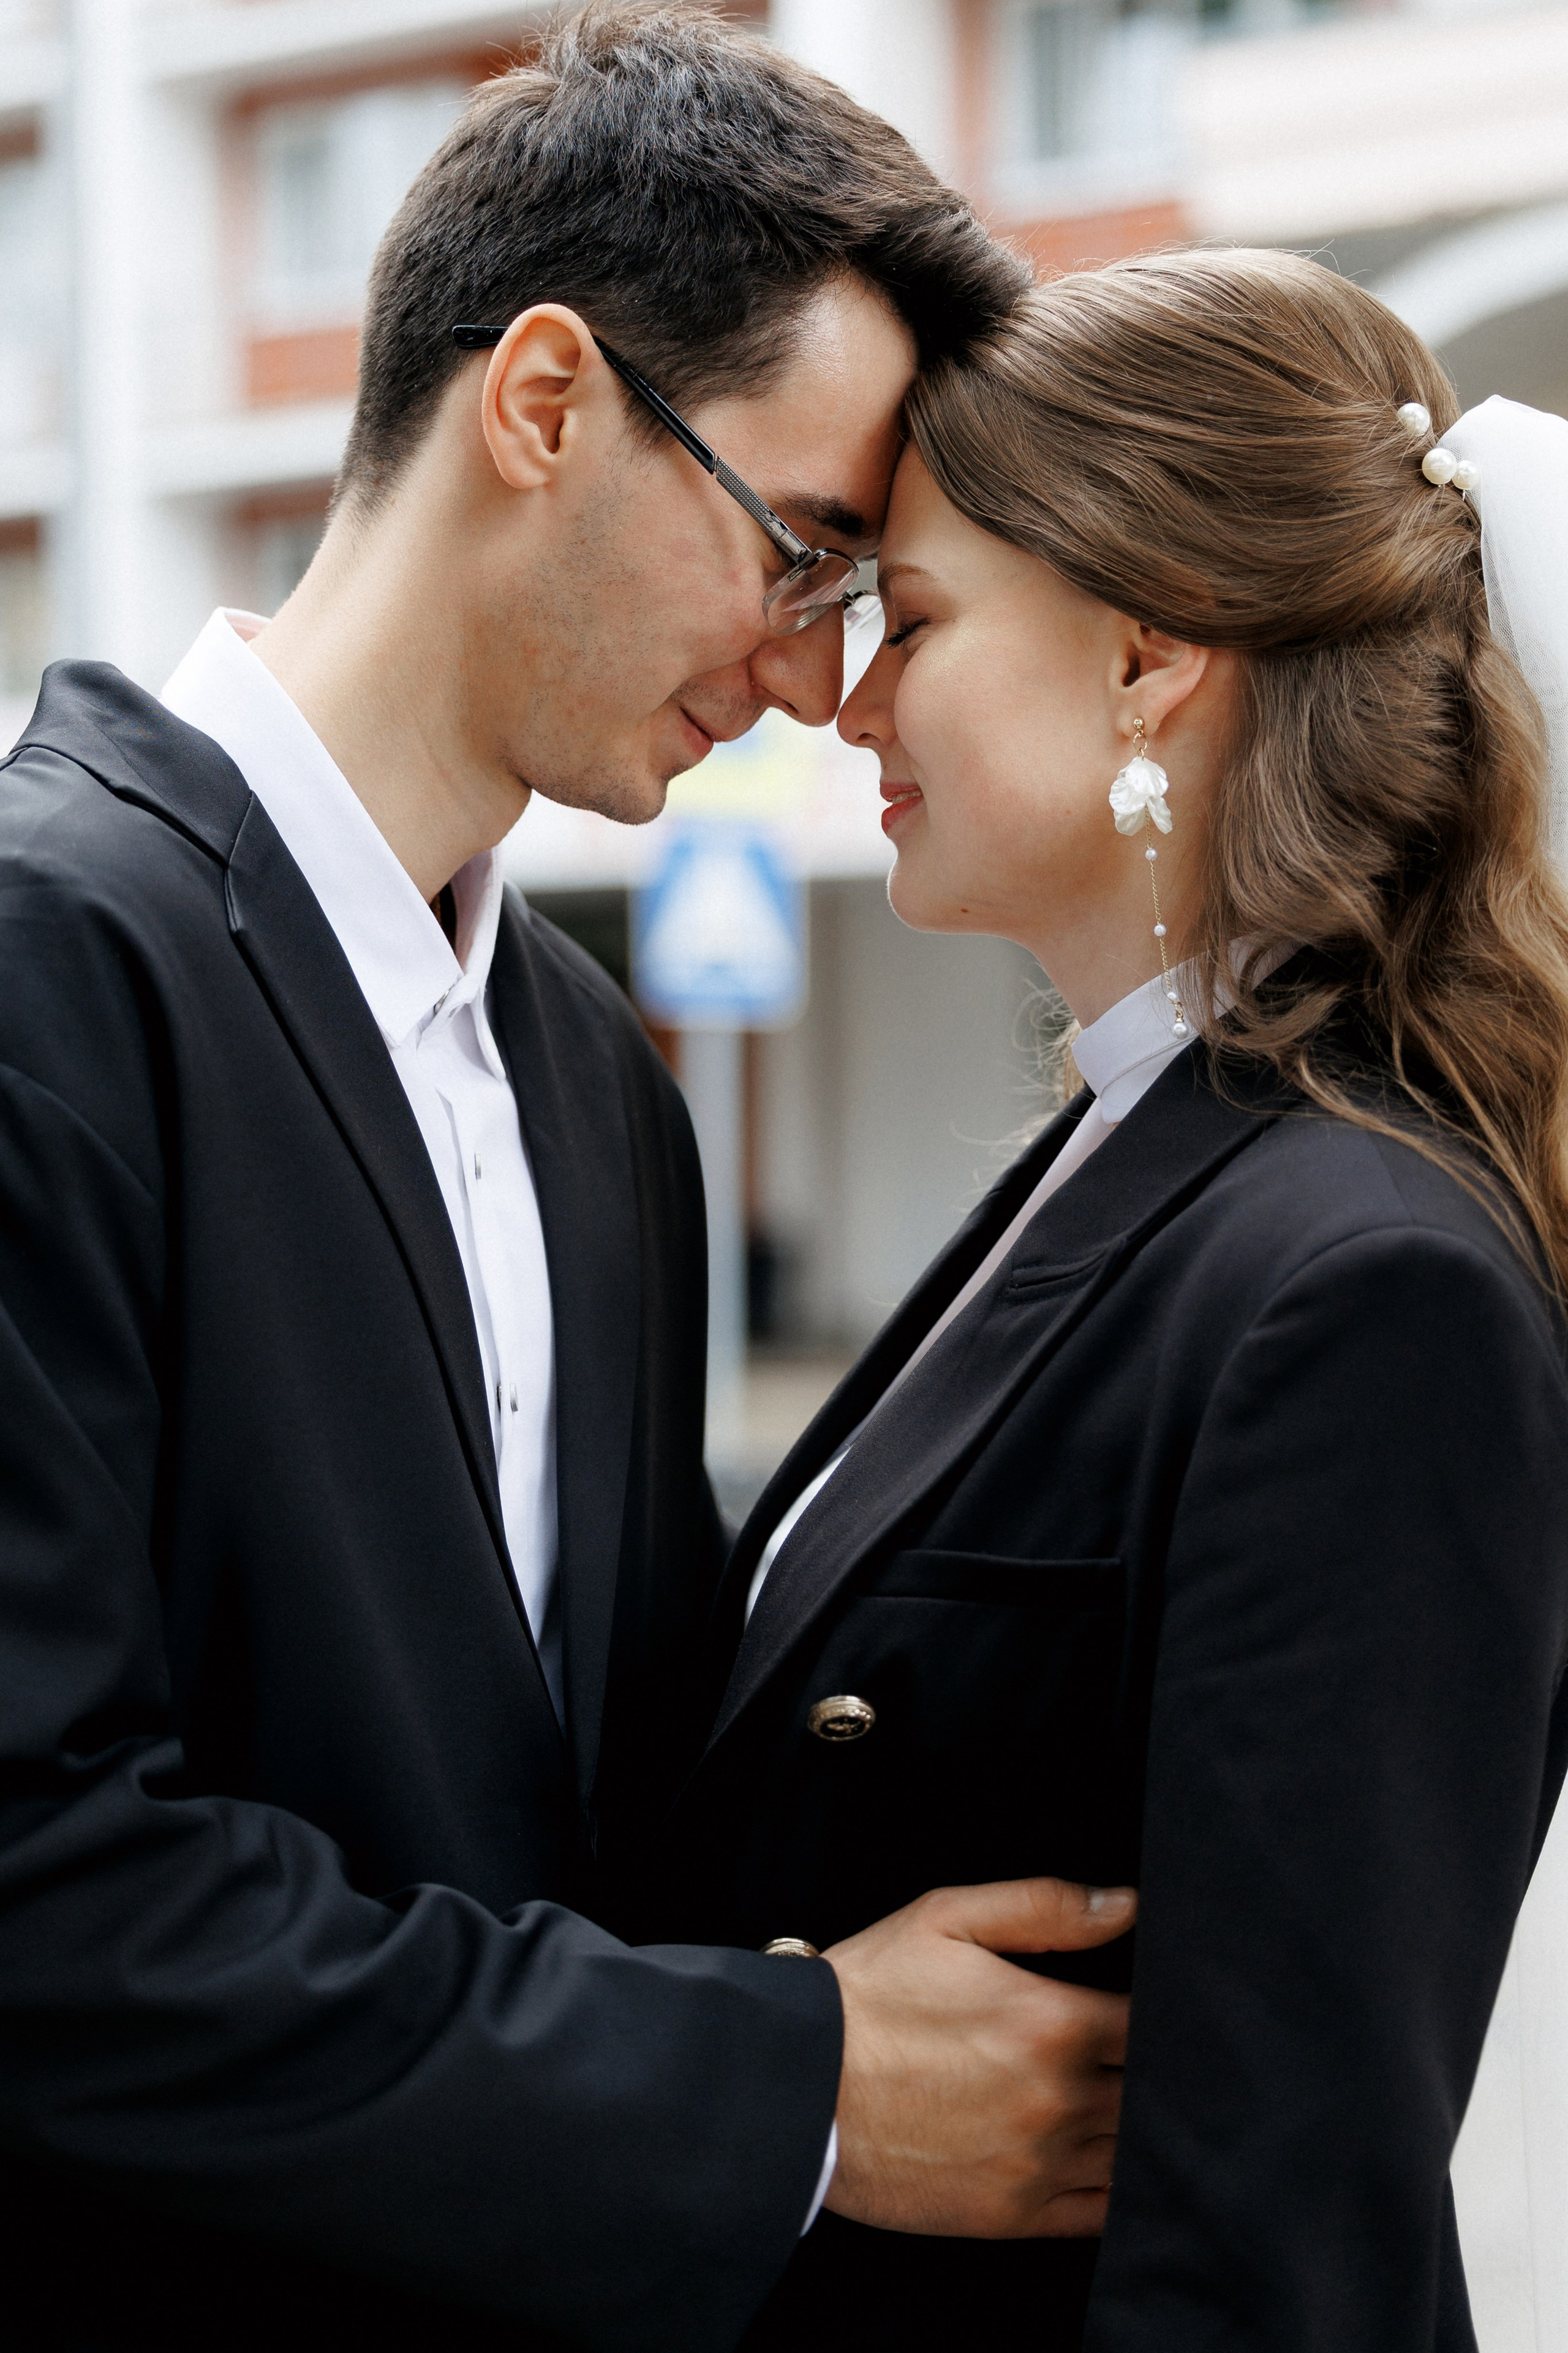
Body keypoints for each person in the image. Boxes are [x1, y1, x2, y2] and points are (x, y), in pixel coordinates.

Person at [0, 10, 1137, 2349]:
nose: (827, 683)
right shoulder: (43, 963)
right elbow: (43, 1899)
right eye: (809, 551)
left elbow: (597, 1825)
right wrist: (795, 2085)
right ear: (542, 401)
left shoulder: (597, 1089)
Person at [630, 251, 1568, 2350]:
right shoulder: (1146, 1156)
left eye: (921, 623)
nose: (853, 703)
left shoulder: (1367, 1282)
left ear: (1151, 657)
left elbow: (1274, 2235)